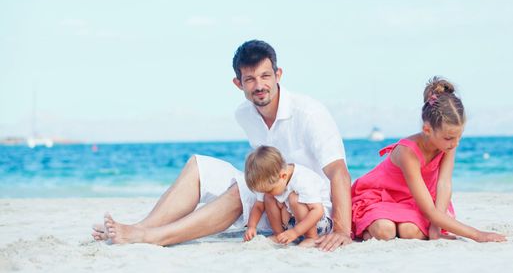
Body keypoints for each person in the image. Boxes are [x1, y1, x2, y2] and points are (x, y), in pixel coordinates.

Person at [92, 40, 352, 251]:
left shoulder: (309, 113)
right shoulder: (244, 114)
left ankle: (152, 237)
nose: (259, 86)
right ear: (238, 83)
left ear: (278, 75)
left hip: (309, 210)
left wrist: (342, 230)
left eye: (265, 76)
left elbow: (338, 171)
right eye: (249, 79)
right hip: (273, 199)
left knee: (242, 189)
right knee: (199, 166)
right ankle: (140, 229)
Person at [351, 77, 506, 242]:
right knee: (385, 230)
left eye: (459, 137)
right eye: (449, 138)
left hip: (416, 201)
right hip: (381, 197)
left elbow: (444, 184)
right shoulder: (407, 152)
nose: (455, 143)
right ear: (427, 129)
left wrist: (435, 227)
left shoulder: (449, 144)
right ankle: (369, 229)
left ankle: (392, 228)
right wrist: (478, 235)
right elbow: (429, 212)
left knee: (409, 231)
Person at [243, 146, 333, 247]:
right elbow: (259, 206)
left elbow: (317, 211)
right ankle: (279, 234)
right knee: (268, 198)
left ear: (283, 176)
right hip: (295, 222)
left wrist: (295, 232)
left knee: (294, 198)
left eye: (270, 190)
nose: (268, 193)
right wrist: (251, 226)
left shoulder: (302, 180)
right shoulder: (268, 178)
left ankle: (311, 237)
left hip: (319, 222)